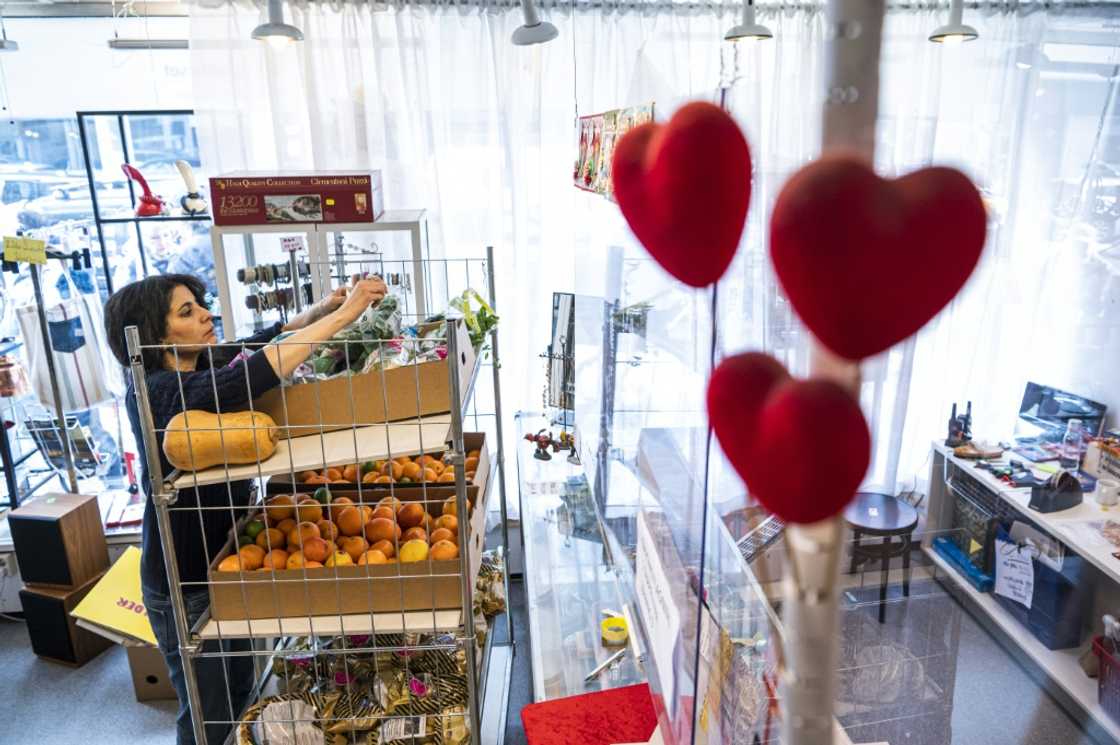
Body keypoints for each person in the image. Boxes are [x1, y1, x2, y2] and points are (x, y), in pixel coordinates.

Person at [104, 272, 387, 745]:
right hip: (186, 581)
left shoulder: (195, 365)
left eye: (200, 304)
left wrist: (319, 310)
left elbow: (258, 344)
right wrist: (344, 315)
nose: (205, 314)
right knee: (210, 715)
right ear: (156, 336)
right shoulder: (158, 390)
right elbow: (250, 375)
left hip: (228, 566)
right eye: (186, 312)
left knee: (241, 695)